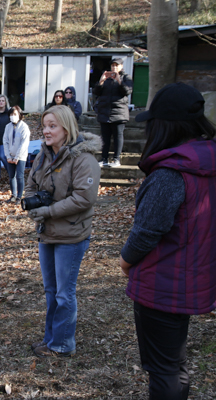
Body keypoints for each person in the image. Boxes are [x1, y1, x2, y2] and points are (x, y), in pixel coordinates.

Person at [119, 83, 216, 400]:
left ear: (165, 125)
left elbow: (147, 231)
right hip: (190, 278)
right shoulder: (206, 163)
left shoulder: (171, 173)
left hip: (162, 285)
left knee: (163, 370)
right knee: (174, 363)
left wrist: (125, 260)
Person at [24, 105, 101, 357]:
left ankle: (63, 344)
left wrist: (49, 211)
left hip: (71, 235)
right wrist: (33, 205)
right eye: (44, 126)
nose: (46, 131)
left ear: (66, 128)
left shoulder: (83, 158)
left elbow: (83, 199)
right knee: (50, 291)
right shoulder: (43, 155)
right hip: (47, 233)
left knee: (64, 293)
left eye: (52, 126)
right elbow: (30, 185)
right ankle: (51, 339)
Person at [94, 57, 133, 168]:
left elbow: (127, 91)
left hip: (119, 112)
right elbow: (96, 92)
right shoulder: (106, 78)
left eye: (117, 65)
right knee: (105, 137)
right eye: (113, 65)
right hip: (105, 112)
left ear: (121, 66)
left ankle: (116, 159)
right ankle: (104, 159)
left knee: (118, 136)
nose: (114, 67)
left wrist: (119, 80)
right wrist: (101, 81)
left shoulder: (126, 77)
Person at [3, 105, 30, 203]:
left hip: (21, 156)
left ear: (19, 114)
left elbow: (24, 143)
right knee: (11, 176)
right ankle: (13, 195)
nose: (12, 116)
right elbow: (5, 141)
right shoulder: (8, 126)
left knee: (19, 176)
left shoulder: (24, 127)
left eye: (14, 114)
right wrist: (8, 156)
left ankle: (19, 196)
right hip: (10, 155)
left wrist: (17, 157)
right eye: (11, 114)